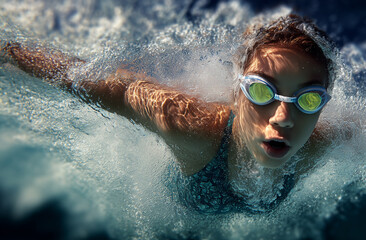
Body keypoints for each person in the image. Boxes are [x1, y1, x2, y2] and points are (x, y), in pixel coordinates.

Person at [1, 14, 338, 213]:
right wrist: (9, 51)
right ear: (237, 91)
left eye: (308, 100)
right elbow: (99, 83)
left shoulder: (320, 145)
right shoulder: (192, 130)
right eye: (261, 90)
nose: (282, 117)